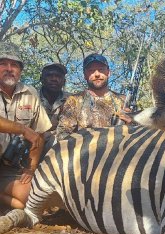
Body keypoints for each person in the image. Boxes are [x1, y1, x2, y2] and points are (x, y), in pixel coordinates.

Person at [0, 42, 52, 210]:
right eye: (3, 64)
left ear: (20, 71)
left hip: (9, 165)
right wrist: (22, 129)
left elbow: (40, 134)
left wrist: (31, 169)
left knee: (32, 199)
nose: (9, 68)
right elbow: (28, 131)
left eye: (14, 65)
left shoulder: (30, 93)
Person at [56, 53, 132, 141]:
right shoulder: (73, 101)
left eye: (101, 69)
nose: (97, 74)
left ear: (108, 73)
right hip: (84, 152)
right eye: (91, 70)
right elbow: (62, 135)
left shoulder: (123, 100)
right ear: (85, 75)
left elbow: (138, 134)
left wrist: (131, 124)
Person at [39, 63, 71, 154]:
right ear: (41, 79)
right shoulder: (30, 96)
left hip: (59, 146)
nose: (54, 79)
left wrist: (48, 135)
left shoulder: (72, 100)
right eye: (49, 75)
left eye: (58, 76)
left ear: (64, 81)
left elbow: (68, 129)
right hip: (31, 142)